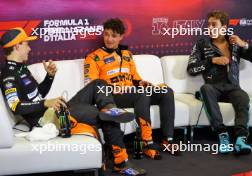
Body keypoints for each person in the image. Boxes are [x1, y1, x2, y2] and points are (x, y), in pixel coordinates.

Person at [0, 27, 146, 175]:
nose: (29, 49)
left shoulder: (21, 69)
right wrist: (45, 103)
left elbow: (38, 93)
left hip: (53, 111)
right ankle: (120, 162)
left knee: (99, 84)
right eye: (26, 44)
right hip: (46, 119)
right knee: (102, 115)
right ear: (17, 46)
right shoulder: (8, 76)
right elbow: (15, 106)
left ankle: (109, 107)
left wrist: (49, 76)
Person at [84, 18, 177, 159]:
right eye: (106, 34)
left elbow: (135, 78)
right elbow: (92, 86)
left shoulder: (127, 54)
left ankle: (168, 139)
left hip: (132, 92)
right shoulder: (93, 58)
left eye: (113, 36)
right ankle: (147, 142)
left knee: (166, 91)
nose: (109, 39)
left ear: (121, 37)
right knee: (141, 94)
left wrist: (142, 83)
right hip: (112, 96)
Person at [187, 10, 252, 155]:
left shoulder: (235, 43)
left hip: (233, 87)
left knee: (243, 97)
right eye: (208, 25)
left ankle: (241, 139)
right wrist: (211, 61)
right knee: (205, 89)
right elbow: (191, 69)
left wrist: (245, 45)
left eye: (213, 25)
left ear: (224, 28)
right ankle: (222, 135)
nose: (209, 28)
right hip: (213, 87)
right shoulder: (201, 44)